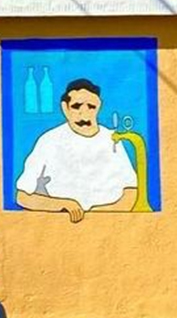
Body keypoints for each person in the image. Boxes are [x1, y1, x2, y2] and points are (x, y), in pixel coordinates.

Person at [15, 78, 138, 222]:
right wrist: (63, 205)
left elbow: (131, 191)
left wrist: (99, 215)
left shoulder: (113, 139)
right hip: (63, 227)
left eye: (91, 107)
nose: (84, 114)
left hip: (108, 224)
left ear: (99, 106)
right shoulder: (49, 141)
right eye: (76, 106)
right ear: (65, 108)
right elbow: (22, 196)